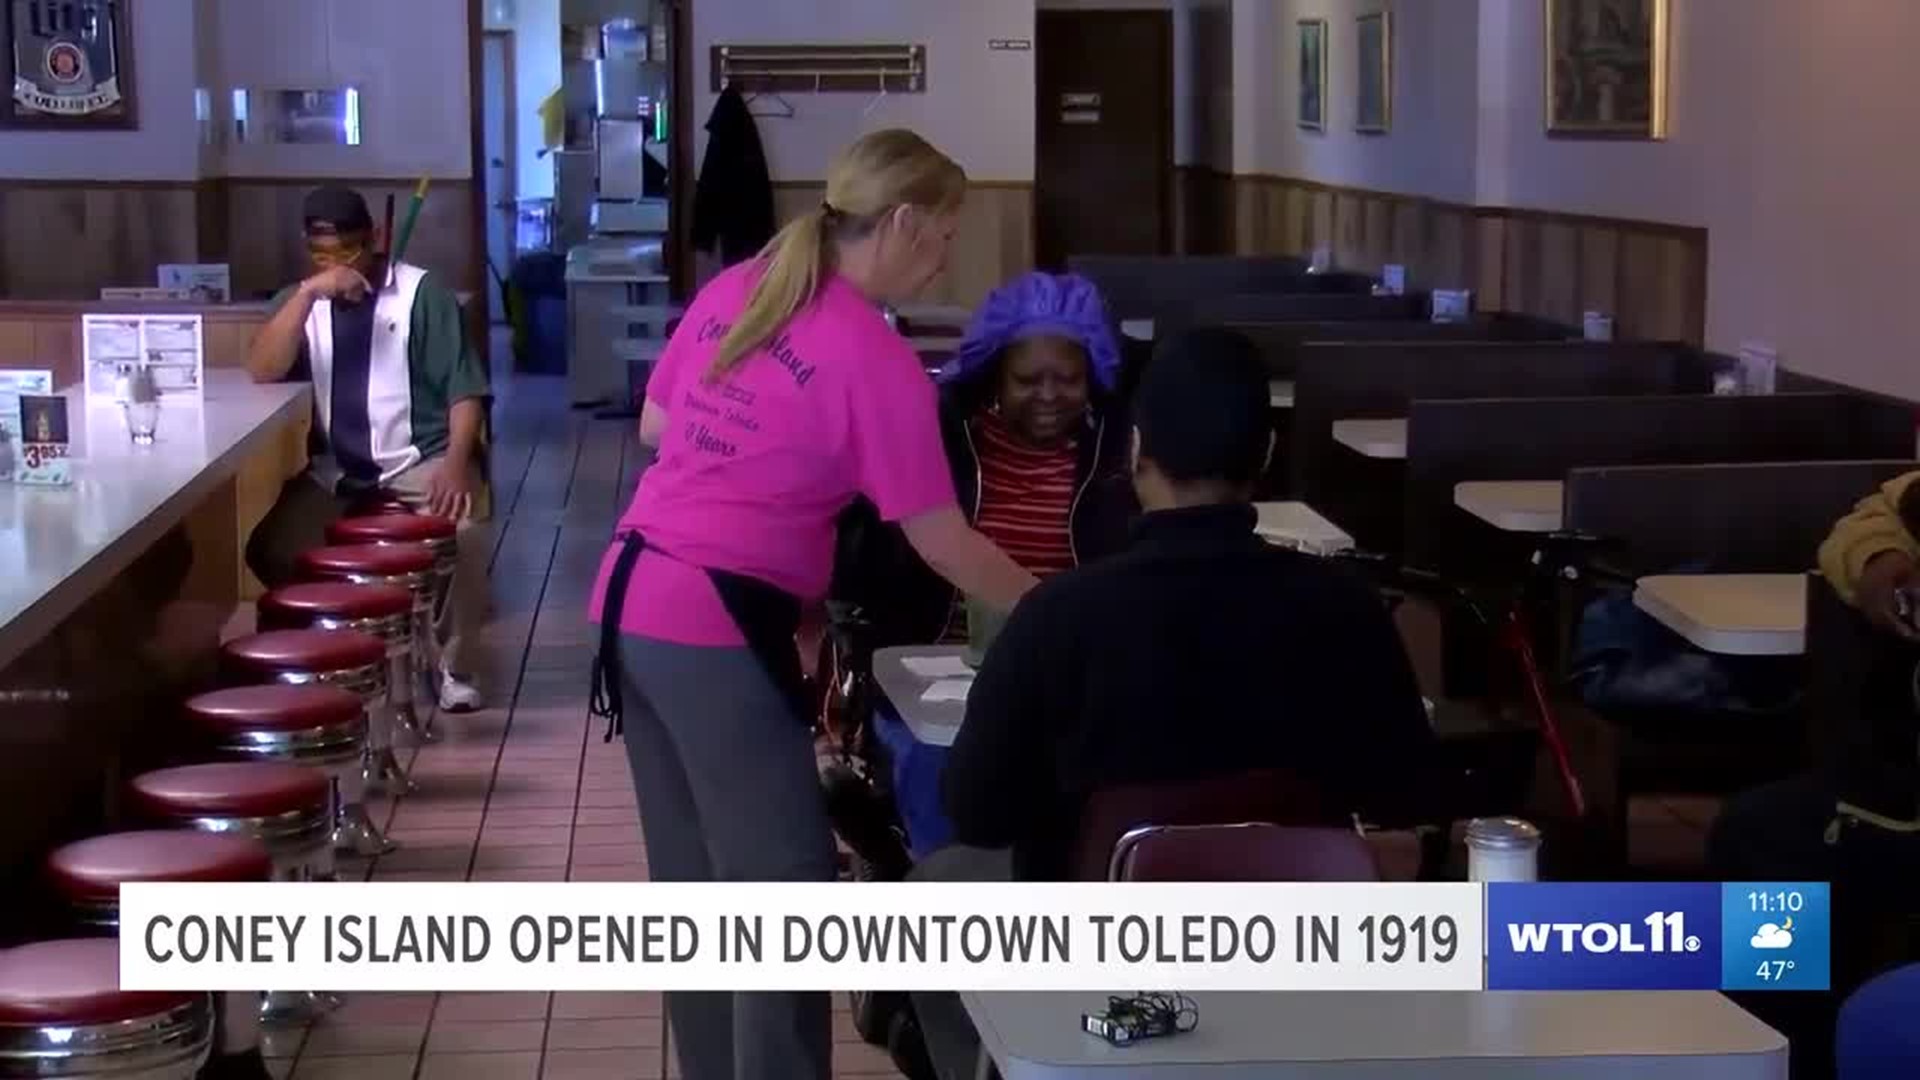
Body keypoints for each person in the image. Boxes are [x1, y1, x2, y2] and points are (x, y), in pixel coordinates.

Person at [586, 128, 1039, 1080]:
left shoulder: (740, 290)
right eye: (946, 236)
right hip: (709, 621)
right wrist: (1060, 609)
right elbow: (942, 540)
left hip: (630, 594)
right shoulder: (873, 359)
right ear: (905, 221)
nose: (946, 256)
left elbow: (658, 424)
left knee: (702, 888)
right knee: (785, 894)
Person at [908, 326, 1437, 1078]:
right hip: (1295, 935)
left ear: (1133, 453)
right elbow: (1407, 793)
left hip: (1094, 932)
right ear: (1265, 455)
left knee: (933, 896)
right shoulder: (1348, 610)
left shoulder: (1061, 615)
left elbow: (977, 809)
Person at [243, 185, 492, 712]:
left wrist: (454, 463)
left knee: (463, 539)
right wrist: (310, 292)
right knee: (270, 548)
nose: (337, 263)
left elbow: (465, 389)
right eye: (322, 253)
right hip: (337, 470)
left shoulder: (423, 293)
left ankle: (451, 666)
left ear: (375, 239)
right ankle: (333, 649)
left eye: (349, 251)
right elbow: (263, 368)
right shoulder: (303, 299)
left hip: (418, 459)